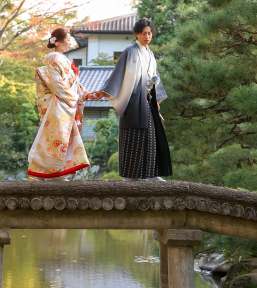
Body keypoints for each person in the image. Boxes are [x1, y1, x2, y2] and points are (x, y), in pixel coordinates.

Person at [91, 18, 172, 181]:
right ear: (136, 34)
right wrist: (103, 91)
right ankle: (130, 176)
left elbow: (155, 78)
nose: (147, 36)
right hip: (133, 101)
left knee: (151, 136)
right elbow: (118, 73)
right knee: (133, 135)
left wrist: (157, 99)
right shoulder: (130, 51)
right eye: (143, 33)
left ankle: (151, 174)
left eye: (149, 33)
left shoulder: (150, 54)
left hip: (148, 100)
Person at [27, 28, 92, 181]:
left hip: (65, 105)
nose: (70, 42)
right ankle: (51, 172)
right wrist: (75, 97)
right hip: (59, 106)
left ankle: (56, 172)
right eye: (68, 39)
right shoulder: (55, 59)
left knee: (62, 141)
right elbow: (58, 85)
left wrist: (85, 93)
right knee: (58, 140)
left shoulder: (62, 59)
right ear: (59, 42)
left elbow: (73, 84)